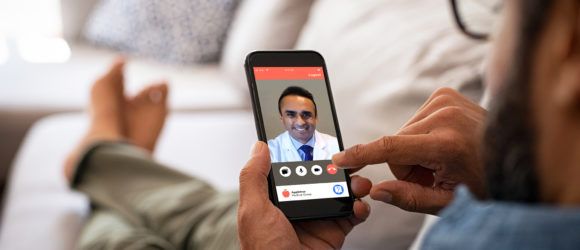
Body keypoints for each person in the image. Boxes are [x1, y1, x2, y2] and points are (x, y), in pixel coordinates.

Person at [238, 0, 580, 249]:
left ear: (571, 48)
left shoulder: (479, 238)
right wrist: (505, 184)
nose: (488, 63)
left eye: (503, 14)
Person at [63, 60, 371, 249]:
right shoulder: (285, 148)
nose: (301, 121)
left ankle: (103, 155)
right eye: (292, 114)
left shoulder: (324, 146)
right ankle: (112, 163)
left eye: (307, 114)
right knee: (234, 214)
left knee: (126, 242)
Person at [268, 86, 339, 162]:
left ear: (316, 117)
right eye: (291, 115)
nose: (300, 123)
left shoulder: (336, 146)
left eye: (306, 115)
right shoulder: (270, 150)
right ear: (281, 117)